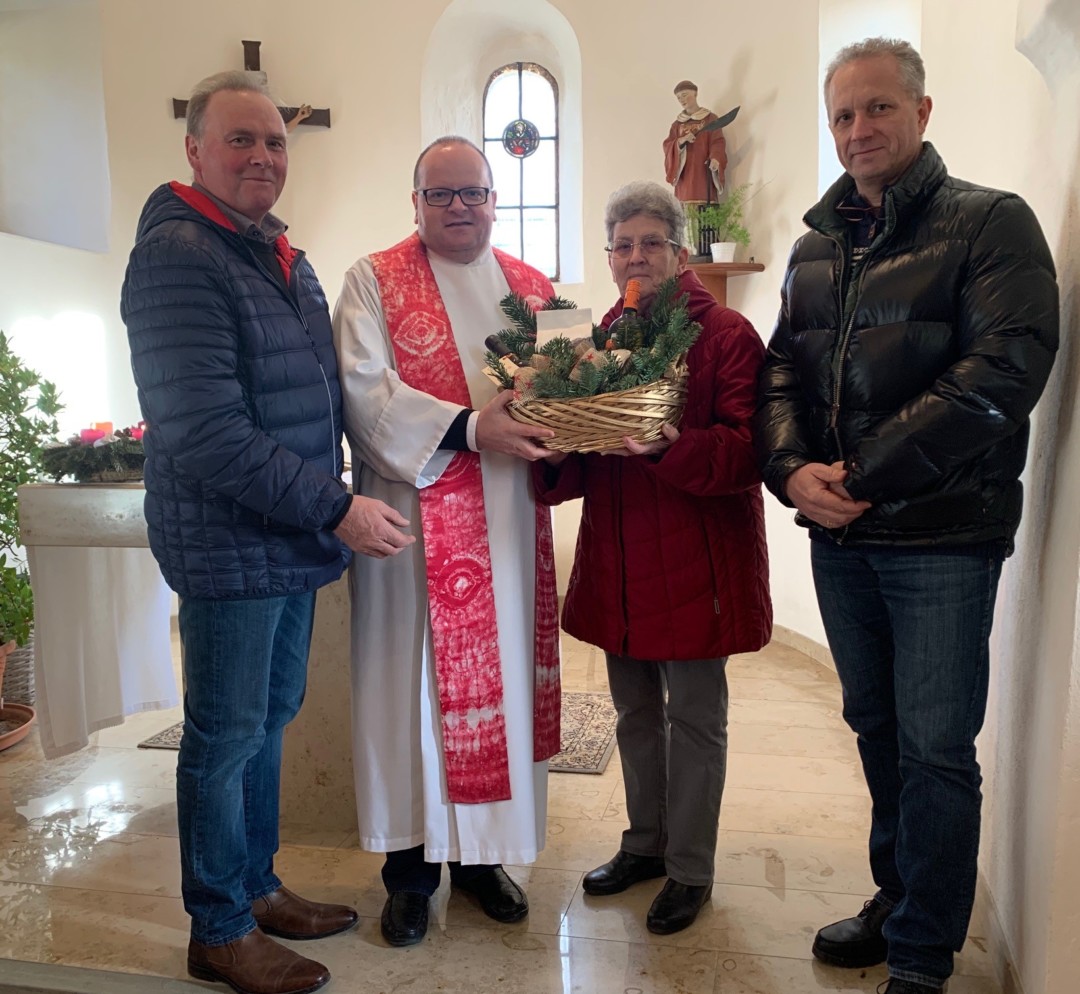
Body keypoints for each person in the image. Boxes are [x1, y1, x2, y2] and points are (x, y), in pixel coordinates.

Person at [754, 37, 1058, 994]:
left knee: (934, 747)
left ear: (922, 113)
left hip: (942, 540)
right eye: (843, 115)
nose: (858, 130)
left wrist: (861, 474)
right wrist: (791, 469)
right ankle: (898, 897)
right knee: (876, 728)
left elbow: (1004, 371)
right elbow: (778, 373)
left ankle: (924, 952)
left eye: (877, 109)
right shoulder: (815, 245)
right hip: (842, 536)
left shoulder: (990, 224)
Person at [122, 70, 414, 994]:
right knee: (224, 735)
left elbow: (315, 398)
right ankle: (218, 925)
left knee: (269, 722)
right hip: (229, 542)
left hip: (283, 539)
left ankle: (256, 885)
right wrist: (336, 504)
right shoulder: (180, 254)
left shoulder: (279, 255)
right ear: (194, 150)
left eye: (275, 142)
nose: (261, 156)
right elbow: (205, 430)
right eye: (240, 139)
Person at [332, 136, 562, 948]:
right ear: (417, 202)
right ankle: (406, 875)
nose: (459, 206)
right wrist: (467, 428)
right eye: (441, 195)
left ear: (495, 197)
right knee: (408, 697)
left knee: (496, 703)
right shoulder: (374, 279)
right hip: (414, 526)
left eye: (473, 192)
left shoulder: (533, 290)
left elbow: (572, 388)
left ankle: (481, 862)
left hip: (507, 528)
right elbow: (364, 391)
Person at [533, 181, 772, 935]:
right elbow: (579, 461)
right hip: (620, 561)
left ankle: (691, 870)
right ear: (608, 258)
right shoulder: (591, 344)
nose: (637, 256)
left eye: (651, 243)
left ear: (678, 251)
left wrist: (673, 449)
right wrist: (554, 445)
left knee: (696, 721)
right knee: (634, 713)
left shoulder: (727, 335)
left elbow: (747, 452)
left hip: (696, 563)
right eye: (623, 244)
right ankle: (644, 844)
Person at [663, 80, 727, 205]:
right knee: (684, 214)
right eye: (679, 97)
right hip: (684, 178)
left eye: (685, 94)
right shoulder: (677, 125)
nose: (682, 100)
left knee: (705, 213)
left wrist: (715, 159)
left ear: (695, 94)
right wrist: (682, 140)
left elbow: (717, 142)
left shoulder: (710, 119)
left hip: (703, 172)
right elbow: (667, 146)